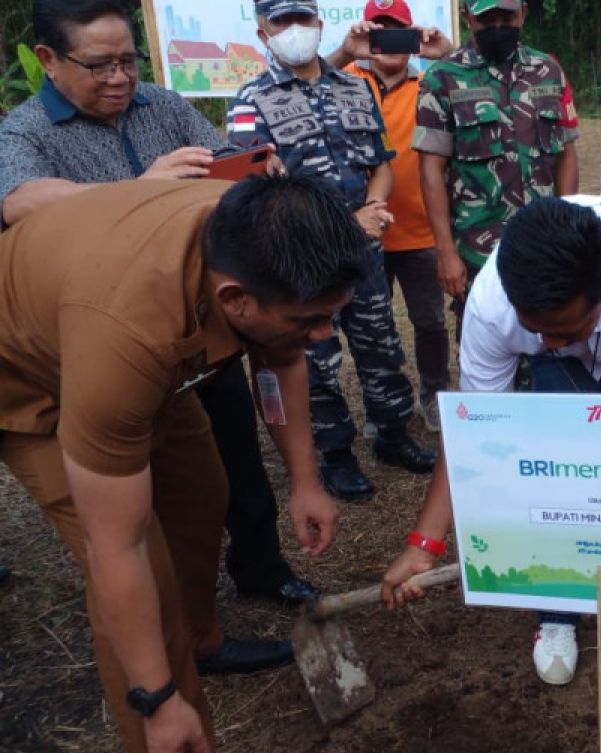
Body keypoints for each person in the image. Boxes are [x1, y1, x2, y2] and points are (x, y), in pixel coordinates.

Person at [0, 173, 367, 753]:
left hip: (138, 360)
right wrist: (159, 697)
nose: (324, 335)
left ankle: (199, 643)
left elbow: (280, 359)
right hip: (35, 383)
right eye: (309, 320)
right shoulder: (131, 330)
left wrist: (305, 479)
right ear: (232, 299)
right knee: (142, 563)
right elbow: (117, 546)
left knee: (203, 496)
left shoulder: (253, 237)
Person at [0, 0, 317, 605]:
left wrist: (249, 171)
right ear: (48, 60)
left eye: (127, 61)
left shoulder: (164, 106)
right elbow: (20, 202)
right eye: (99, 66)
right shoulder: (23, 131)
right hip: (109, 334)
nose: (119, 78)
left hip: (199, 310)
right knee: (134, 492)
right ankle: (165, 608)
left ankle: (262, 569)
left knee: (233, 468)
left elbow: (219, 158)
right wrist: (138, 193)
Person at [379, 195, 601, 686]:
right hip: (573, 326)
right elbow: (474, 431)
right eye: (540, 333)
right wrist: (425, 542)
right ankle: (558, 611)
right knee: (555, 474)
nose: (552, 345)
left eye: (565, 330)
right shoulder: (493, 305)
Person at [230, 0, 436, 501]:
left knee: (379, 343)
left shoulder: (353, 87)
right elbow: (251, 182)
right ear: (263, 33)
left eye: (303, 19)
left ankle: (392, 434)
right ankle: (336, 453)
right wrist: (344, 225)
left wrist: (372, 206)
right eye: (281, 22)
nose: (294, 30)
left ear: (320, 26)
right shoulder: (250, 100)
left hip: (362, 250)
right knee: (315, 358)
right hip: (300, 259)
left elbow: (381, 163)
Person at [328, 0, 455, 432]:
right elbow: (299, 83)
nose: (387, 42)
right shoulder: (343, 79)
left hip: (421, 229)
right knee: (371, 328)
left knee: (430, 322)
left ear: (412, 37)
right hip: (363, 230)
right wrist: (346, 53)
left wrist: (450, 52)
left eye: (396, 31)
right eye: (377, 32)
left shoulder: (435, 80)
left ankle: (435, 393)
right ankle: (382, 405)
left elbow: (482, 80)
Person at [413, 0, 579, 330]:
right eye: (487, 17)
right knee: (485, 353)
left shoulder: (548, 70)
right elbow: (430, 169)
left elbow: (566, 154)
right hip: (478, 253)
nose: (498, 25)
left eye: (508, 15)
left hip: (543, 245)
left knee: (550, 344)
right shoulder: (442, 78)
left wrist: (566, 228)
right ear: (467, 18)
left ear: (524, 13)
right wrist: (446, 252)